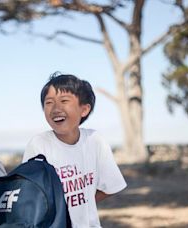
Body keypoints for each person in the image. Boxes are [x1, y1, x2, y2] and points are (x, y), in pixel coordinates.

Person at [22, 73, 127, 227]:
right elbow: (28, 195)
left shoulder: (95, 140)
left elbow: (111, 186)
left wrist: (81, 204)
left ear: (84, 109)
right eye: (49, 102)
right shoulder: (39, 144)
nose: (56, 108)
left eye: (64, 101)